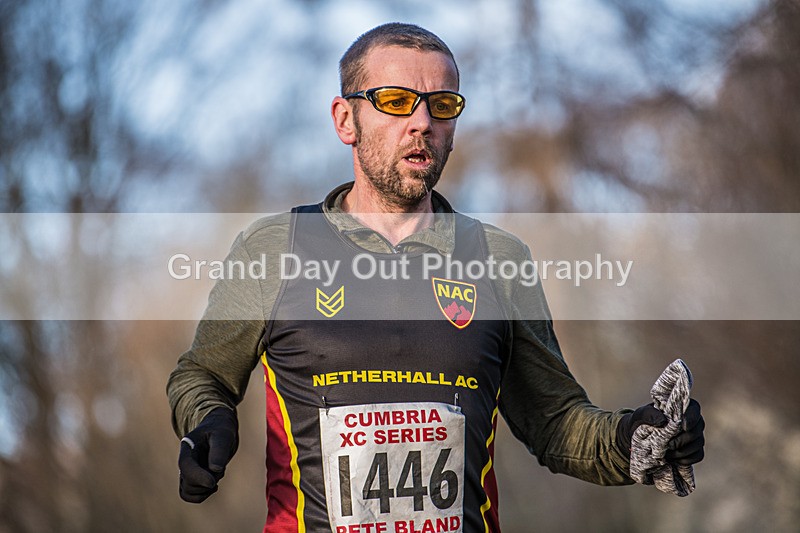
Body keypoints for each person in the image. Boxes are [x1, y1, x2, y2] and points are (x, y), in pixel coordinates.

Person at [167, 22, 705, 532]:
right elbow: (202, 374)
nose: (422, 121)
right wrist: (208, 420)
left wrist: (634, 438)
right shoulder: (273, 249)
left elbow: (555, 421)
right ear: (345, 120)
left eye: (441, 105)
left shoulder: (498, 258)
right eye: (395, 101)